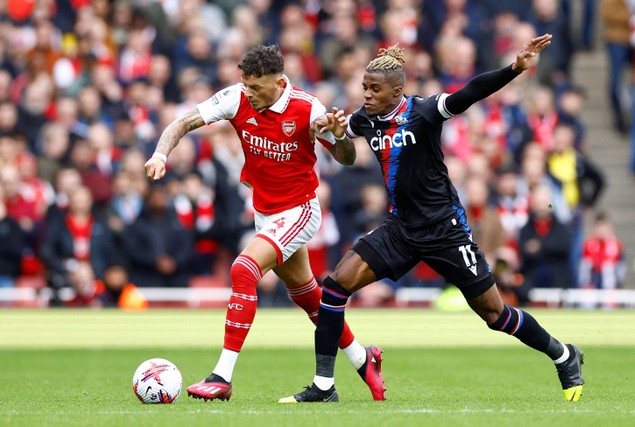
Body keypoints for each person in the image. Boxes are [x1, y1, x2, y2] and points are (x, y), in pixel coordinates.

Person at [280, 34, 585, 404]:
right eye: (364, 87)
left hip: (445, 231)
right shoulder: (365, 120)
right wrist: (337, 133)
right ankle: (324, 386)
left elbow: (471, 92)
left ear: (396, 92)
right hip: (401, 229)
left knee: (494, 314)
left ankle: (563, 354)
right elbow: (345, 154)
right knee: (334, 287)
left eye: (375, 89)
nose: (367, 95)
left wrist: (514, 68)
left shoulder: (423, 111)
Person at [144, 45, 385, 401]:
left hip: (300, 210)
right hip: (266, 214)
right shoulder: (237, 97)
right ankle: (364, 360)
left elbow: (347, 159)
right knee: (310, 299)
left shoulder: (307, 109)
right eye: (246, 85)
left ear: (280, 82)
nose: (249, 94)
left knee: (243, 270)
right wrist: (160, 153)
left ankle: (221, 376)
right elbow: (182, 122)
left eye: (257, 88)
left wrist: (336, 136)